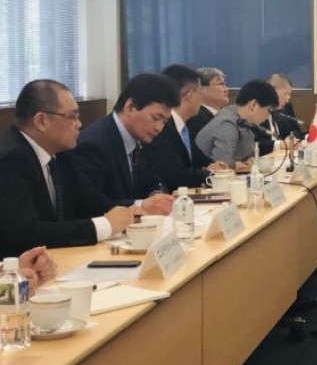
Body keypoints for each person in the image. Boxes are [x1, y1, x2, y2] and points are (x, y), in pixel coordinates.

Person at [0, 80, 134, 256]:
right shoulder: (10, 159)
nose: (79, 124)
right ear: (41, 121)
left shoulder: (62, 153)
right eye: (72, 117)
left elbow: (88, 201)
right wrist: (103, 225)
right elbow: (26, 233)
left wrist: (133, 210)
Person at [70, 73, 178, 214]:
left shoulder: (142, 137)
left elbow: (153, 178)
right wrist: (141, 205)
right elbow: (92, 205)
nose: (159, 128)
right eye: (156, 118)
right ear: (130, 106)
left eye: (164, 121)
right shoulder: (93, 144)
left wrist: (157, 195)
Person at [142, 65, 229, 190]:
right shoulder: (162, 127)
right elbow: (176, 175)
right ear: (190, 95)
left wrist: (215, 166)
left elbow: (200, 160)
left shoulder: (183, 127)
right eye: (199, 93)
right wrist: (210, 173)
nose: (201, 100)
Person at [195, 79, 279, 168]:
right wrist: (236, 165)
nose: (268, 116)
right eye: (269, 110)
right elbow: (222, 165)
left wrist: (249, 160)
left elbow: (248, 154)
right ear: (253, 105)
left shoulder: (246, 121)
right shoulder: (227, 124)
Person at [261, 73, 305, 147]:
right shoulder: (255, 111)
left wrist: (291, 137)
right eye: (285, 94)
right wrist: (280, 144)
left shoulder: (284, 108)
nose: (287, 99)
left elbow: (296, 131)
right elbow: (254, 144)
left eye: (289, 95)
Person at [186, 67, 229, 140]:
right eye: (221, 83)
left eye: (225, 84)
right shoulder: (197, 118)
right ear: (200, 88)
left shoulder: (223, 116)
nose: (226, 89)